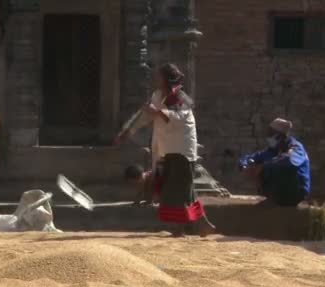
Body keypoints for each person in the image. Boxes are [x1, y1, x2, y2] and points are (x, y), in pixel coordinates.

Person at [115, 63, 215, 237]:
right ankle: (202, 224)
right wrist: (127, 132)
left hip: (182, 149)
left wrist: (158, 112)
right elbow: (145, 115)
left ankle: (181, 228)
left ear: (166, 78)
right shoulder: (157, 95)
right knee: (181, 189)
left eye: (159, 76)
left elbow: (178, 118)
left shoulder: (180, 97)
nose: (156, 79)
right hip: (166, 149)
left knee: (176, 190)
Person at [239, 118, 310, 206]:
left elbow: (290, 161)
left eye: (271, 133)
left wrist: (263, 166)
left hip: (295, 192)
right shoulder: (272, 150)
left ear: (281, 136)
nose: (268, 137)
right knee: (258, 165)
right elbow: (252, 157)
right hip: (275, 194)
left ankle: (279, 199)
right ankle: (272, 197)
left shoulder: (296, 147)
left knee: (277, 166)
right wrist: (244, 165)